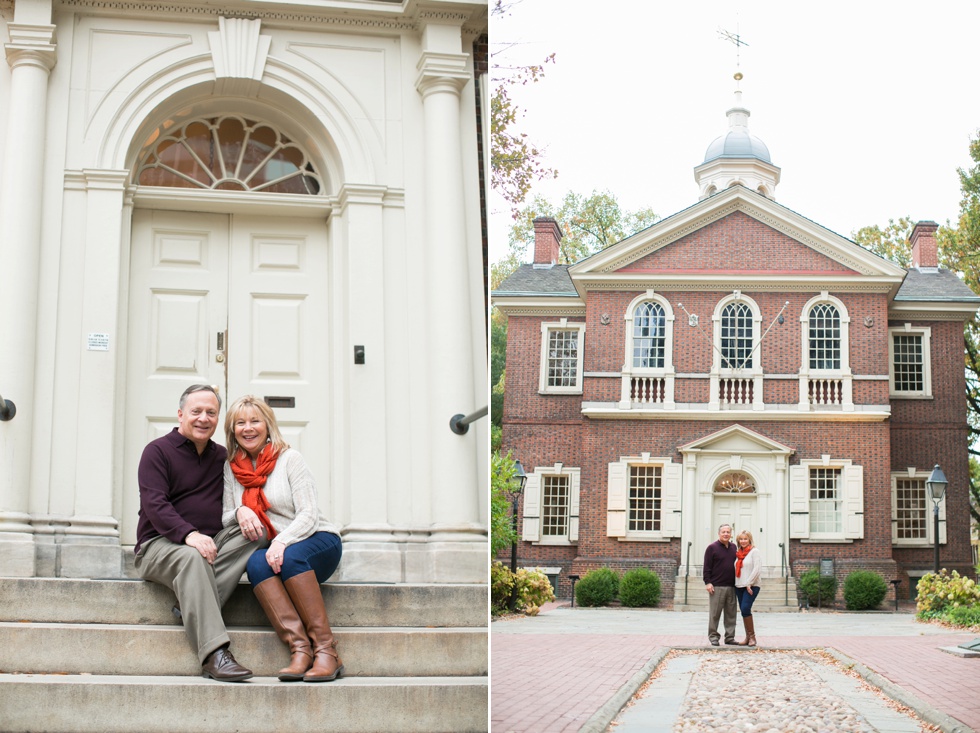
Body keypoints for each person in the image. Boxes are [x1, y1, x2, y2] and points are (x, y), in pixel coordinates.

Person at [135, 384, 262, 682]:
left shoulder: (222, 457)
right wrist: (188, 534)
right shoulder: (157, 451)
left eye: (211, 412)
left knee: (257, 532)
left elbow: (239, 494)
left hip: (210, 545)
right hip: (158, 545)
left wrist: (244, 511)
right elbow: (154, 503)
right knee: (193, 558)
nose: (203, 418)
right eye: (196, 412)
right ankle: (214, 654)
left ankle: (190, 603)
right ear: (181, 414)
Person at [222, 395, 344, 682]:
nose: (248, 428)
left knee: (290, 556)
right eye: (240, 423)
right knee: (255, 563)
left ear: (267, 425)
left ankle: (327, 651)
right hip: (275, 552)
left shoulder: (289, 459)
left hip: (317, 540)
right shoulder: (231, 468)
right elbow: (224, 514)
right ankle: (300, 649)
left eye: (255, 421)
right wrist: (240, 511)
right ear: (232, 430)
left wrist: (280, 541)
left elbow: (309, 514)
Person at [703, 523, 738, 646]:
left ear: (731, 534)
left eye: (728, 532)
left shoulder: (734, 548)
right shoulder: (712, 548)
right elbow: (707, 567)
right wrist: (708, 582)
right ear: (719, 533)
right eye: (723, 532)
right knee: (715, 614)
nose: (726, 534)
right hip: (716, 586)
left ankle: (730, 637)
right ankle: (713, 637)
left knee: (731, 615)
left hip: (732, 586)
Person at [734, 529, 762, 647]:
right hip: (739, 585)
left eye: (745, 539)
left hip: (751, 586)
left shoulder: (754, 551)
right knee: (744, 611)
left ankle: (752, 638)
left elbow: (757, 569)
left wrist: (749, 583)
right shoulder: (738, 553)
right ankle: (747, 637)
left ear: (749, 539)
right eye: (741, 539)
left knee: (745, 608)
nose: (743, 541)